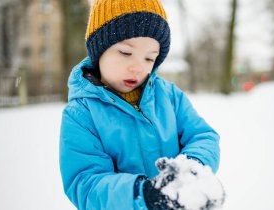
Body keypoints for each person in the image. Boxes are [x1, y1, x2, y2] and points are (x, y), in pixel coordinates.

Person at [59, 0, 223, 209]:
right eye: (126, 53)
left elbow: (203, 136)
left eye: (149, 58)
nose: (138, 67)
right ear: (99, 50)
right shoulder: (82, 114)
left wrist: (191, 169)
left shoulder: (170, 96)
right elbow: (86, 183)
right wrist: (145, 195)